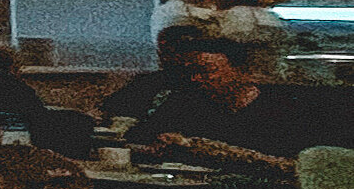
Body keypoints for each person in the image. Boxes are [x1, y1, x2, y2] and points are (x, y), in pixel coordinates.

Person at [124, 31, 308, 178]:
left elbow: (290, 165)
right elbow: (138, 140)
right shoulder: (186, 102)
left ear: (242, 72)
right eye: (192, 72)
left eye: (207, 71)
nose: (196, 78)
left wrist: (194, 146)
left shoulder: (281, 109)